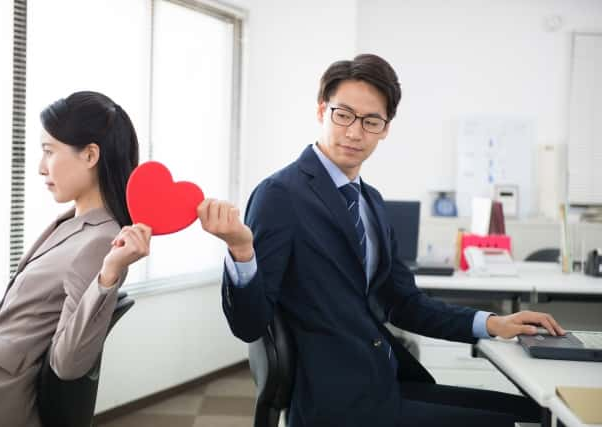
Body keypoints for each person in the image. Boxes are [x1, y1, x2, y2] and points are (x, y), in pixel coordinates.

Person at [198, 54, 566, 427]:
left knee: (539, 414)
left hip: (383, 379)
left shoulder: (371, 200)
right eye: (343, 115)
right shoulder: (280, 194)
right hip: (336, 403)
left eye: (371, 121)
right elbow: (249, 324)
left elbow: (404, 303)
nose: (355, 133)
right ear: (321, 110)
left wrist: (491, 323)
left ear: (385, 128)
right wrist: (241, 252)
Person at [0, 91, 152, 427]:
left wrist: (108, 274)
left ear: (90, 154)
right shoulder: (72, 222)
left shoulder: (102, 240)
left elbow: (69, 363)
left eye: (49, 152)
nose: (40, 167)